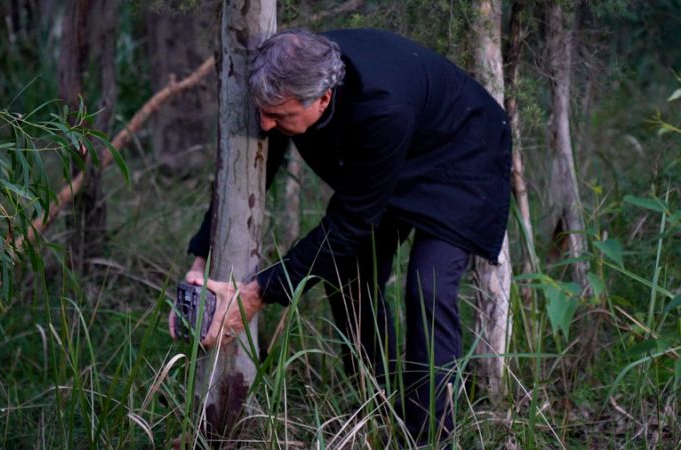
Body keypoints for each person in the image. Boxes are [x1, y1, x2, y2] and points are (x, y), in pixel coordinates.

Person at [171, 28, 511, 442]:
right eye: (263, 111)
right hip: (390, 154)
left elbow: (348, 225)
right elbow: (246, 179)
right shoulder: (287, 84)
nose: (265, 123)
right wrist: (201, 260)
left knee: (429, 286)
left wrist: (258, 292)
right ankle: (381, 407)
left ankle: (429, 435)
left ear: (324, 98)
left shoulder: (382, 108)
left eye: (279, 116)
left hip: (460, 155)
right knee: (349, 275)